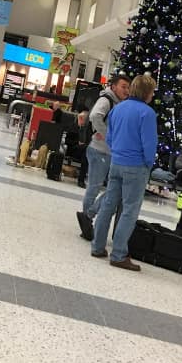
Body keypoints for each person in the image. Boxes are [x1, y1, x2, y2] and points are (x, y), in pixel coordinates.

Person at [90, 75, 158, 272]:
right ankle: (119, 254)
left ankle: (97, 246)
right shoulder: (147, 113)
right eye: (152, 92)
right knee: (129, 210)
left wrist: (117, 151)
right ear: (146, 93)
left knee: (108, 205)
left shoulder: (118, 108)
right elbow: (149, 144)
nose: (152, 96)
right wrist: (148, 164)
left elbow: (109, 136)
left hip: (117, 162)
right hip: (136, 167)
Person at [76, 75, 131, 239]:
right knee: (94, 187)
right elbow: (94, 116)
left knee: (111, 188)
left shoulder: (118, 102)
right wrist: (108, 135)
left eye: (128, 87)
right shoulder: (107, 100)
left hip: (108, 152)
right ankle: (87, 223)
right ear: (113, 87)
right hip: (99, 150)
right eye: (123, 86)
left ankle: (87, 218)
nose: (126, 90)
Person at [65, 110, 91, 188]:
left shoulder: (86, 129)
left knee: (87, 151)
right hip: (73, 150)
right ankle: (81, 179)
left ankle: (83, 178)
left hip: (83, 151)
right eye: (85, 120)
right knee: (86, 151)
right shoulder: (73, 127)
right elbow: (67, 141)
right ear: (80, 118)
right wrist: (77, 142)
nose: (86, 122)